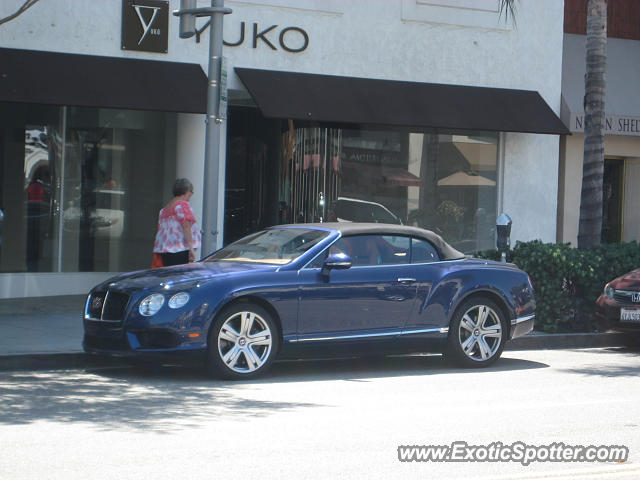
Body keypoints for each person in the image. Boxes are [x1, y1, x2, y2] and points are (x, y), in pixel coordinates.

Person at [153, 178, 201, 267]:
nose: (191, 195)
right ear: (186, 191)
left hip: (165, 250)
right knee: (180, 276)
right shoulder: (182, 205)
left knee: (170, 276)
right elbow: (186, 227)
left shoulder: (164, 210)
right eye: (191, 192)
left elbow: (160, 230)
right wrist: (191, 248)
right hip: (180, 248)